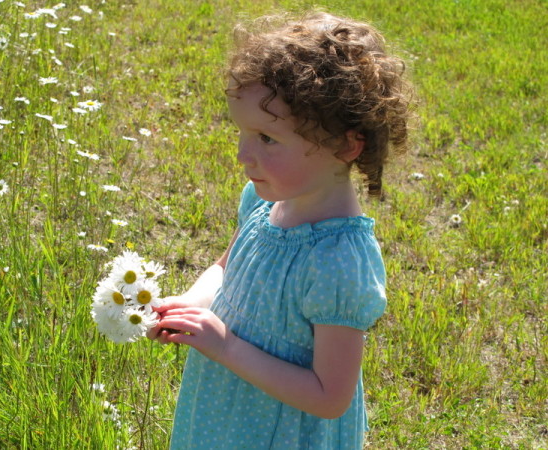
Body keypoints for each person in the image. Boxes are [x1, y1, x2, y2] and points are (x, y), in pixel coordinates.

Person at [148, 10, 411, 449]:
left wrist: (226, 346)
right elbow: (225, 267)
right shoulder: (263, 201)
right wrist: (190, 306)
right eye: (243, 133)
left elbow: (330, 396)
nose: (242, 155)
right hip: (224, 411)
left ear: (346, 146)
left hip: (282, 433)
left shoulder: (340, 262)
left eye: (267, 139)